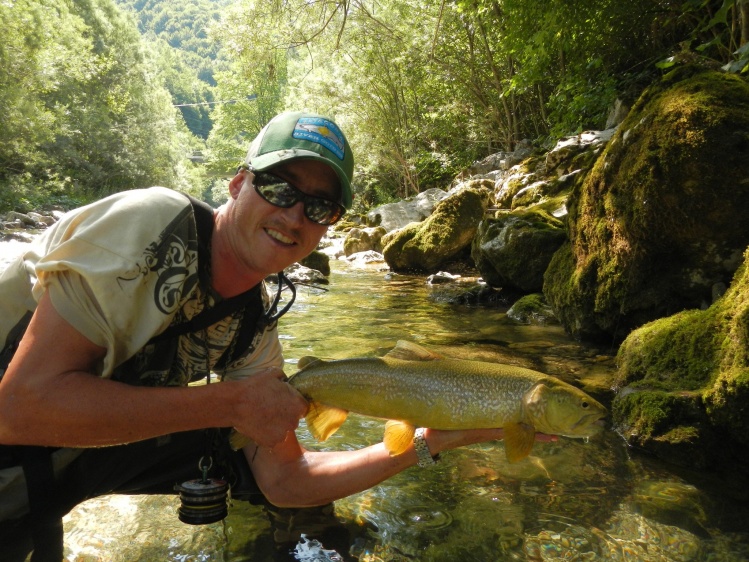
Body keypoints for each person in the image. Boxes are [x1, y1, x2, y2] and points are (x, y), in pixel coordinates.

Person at [0, 111, 550, 560]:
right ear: (238, 183)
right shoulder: (151, 224)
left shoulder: (252, 332)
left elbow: (287, 481)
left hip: (42, 477)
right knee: (229, 420)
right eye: (278, 186)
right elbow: (19, 408)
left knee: (250, 458)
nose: (293, 216)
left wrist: (433, 441)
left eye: (318, 206)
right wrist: (230, 403)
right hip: (23, 438)